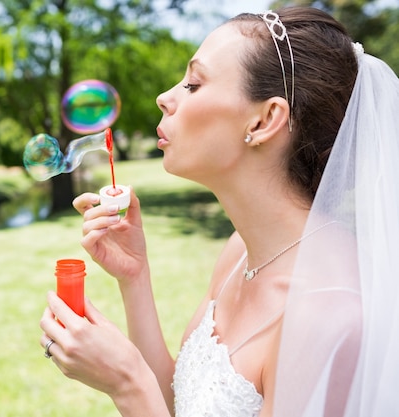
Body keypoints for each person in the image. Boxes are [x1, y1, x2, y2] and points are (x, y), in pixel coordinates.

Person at [39, 6, 399, 417]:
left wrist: (127, 383)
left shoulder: (328, 315)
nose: (165, 97)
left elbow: (148, 399)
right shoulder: (242, 253)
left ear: (265, 120)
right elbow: (181, 405)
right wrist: (134, 278)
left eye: (193, 84)